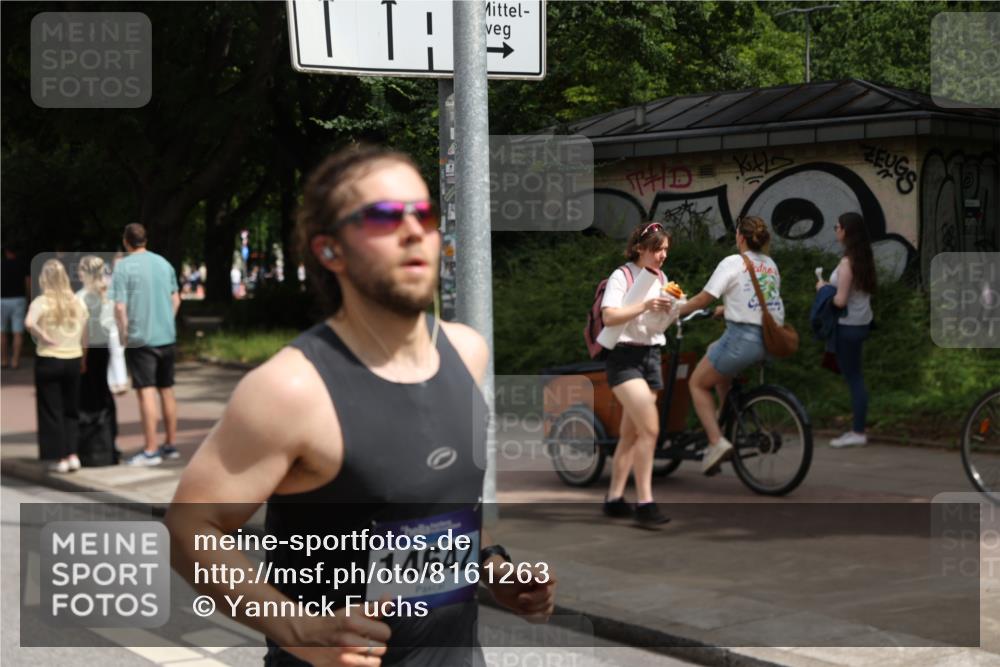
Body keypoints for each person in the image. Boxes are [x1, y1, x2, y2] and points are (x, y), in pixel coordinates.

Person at [165, 145, 556, 666]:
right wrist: (297, 629)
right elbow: (190, 529)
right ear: (331, 251)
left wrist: (492, 566)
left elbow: (433, 508)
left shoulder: (467, 352)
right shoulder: (291, 389)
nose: (413, 230)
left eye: (423, 214)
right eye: (383, 217)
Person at [677, 215, 785, 474]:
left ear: (740, 237)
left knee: (697, 383)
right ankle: (726, 423)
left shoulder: (733, 262)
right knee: (713, 353)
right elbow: (760, 302)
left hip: (742, 339)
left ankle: (716, 442)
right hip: (770, 340)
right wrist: (725, 309)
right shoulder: (770, 265)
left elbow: (703, 299)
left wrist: (675, 311)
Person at [599, 221, 675, 526]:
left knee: (631, 434)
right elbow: (609, 317)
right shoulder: (623, 275)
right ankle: (645, 503)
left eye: (665, 249)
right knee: (650, 430)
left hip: (652, 355)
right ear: (639, 248)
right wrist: (645, 305)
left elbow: (656, 321)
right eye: (657, 249)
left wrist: (671, 309)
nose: (662, 255)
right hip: (624, 357)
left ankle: (614, 499)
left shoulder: (662, 278)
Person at [109, 223, 181, 466]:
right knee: (167, 389)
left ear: (126, 241)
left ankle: (151, 449)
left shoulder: (123, 267)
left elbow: (120, 307)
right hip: (166, 336)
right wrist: (167, 320)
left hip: (141, 338)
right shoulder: (163, 263)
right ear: (145, 240)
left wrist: (124, 333)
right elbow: (176, 299)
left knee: (146, 392)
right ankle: (170, 445)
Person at [816, 212, 876, 448]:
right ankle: (858, 428)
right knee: (855, 375)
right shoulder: (864, 258)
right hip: (862, 323)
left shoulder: (847, 262)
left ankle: (858, 432)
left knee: (854, 379)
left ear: (846, 231)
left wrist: (823, 291)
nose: (835, 230)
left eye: (837, 226)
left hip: (847, 326)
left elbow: (840, 301)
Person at [24, 259, 88, 472]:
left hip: (49, 359)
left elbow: (29, 323)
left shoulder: (42, 302)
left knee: (52, 410)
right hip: (73, 358)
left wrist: (43, 336)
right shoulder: (77, 302)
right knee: (71, 409)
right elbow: (85, 333)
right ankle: (73, 454)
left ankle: (59, 456)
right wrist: (84, 357)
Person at [76, 255, 120, 464]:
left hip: (88, 350)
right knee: (103, 393)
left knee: (87, 397)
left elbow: (82, 331)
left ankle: (88, 446)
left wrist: (82, 358)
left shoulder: (82, 297)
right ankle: (108, 442)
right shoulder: (107, 294)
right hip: (104, 347)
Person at [1, 247, 31, 369]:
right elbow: (28, 283)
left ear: (6, 252)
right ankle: (15, 361)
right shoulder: (22, 265)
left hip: (2, 299)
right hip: (19, 299)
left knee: (1, 332)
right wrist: (28, 298)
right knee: (18, 332)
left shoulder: (1, 264)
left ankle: (3, 360)